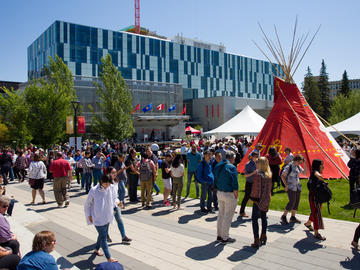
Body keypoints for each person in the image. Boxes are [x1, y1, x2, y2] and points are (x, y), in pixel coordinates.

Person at [84, 174, 118, 263]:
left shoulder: (110, 188)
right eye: (106, 184)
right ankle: (109, 258)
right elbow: (87, 204)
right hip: (97, 217)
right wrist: (89, 215)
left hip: (107, 215)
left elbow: (114, 198)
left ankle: (96, 249)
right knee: (104, 237)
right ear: (102, 182)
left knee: (103, 234)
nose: (108, 186)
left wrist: (118, 203)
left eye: (109, 184)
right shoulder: (94, 190)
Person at [214, 151, 238, 244]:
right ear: (231, 158)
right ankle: (225, 237)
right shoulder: (231, 167)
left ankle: (220, 235)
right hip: (229, 193)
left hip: (220, 192)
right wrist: (236, 195)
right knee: (227, 216)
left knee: (221, 215)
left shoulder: (218, 165)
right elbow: (235, 183)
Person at [250, 157, 272, 248]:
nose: (256, 164)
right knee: (263, 217)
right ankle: (263, 235)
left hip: (258, 200)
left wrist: (252, 198)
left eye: (258, 162)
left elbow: (256, 188)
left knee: (254, 219)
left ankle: (256, 239)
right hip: (266, 199)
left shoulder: (258, 174)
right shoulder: (269, 174)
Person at [107, 167, 132, 244]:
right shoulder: (106, 183)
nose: (115, 174)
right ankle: (105, 235)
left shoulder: (116, 181)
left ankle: (123, 237)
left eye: (115, 172)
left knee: (120, 220)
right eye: (113, 173)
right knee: (107, 222)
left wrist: (119, 203)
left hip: (115, 205)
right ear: (108, 173)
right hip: (108, 206)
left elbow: (115, 195)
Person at [280, 154, 307, 224]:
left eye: (301, 162)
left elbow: (305, 173)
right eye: (299, 162)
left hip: (297, 186)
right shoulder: (289, 166)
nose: (300, 163)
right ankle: (283, 216)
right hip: (291, 187)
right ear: (296, 160)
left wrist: (304, 164)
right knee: (291, 202)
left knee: (296, 202)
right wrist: (286, 185)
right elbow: (282, 176)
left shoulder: (297, 166)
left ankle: (293, 217)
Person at [304, 159, 326, 241]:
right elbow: (319, 176)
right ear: (318, 165)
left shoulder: (314, 172)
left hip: (316, 196)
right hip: (314, 197)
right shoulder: (315, 172)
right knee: (316, 213)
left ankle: (308, 223)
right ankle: (316, 233)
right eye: (322, 164)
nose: (323, 166)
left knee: (316, 211)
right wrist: (323, 181)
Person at [239, 151, 259, 218]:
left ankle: (256, 213)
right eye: (256, 156)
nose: (257, 158)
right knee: (246, 197)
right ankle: (242, 211)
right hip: (249, 183)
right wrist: (253, 173)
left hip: (256, 183)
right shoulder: (248, 164)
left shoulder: (258, 164)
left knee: (256, 198)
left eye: (257, 156)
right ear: (252, 157)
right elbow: (246, 175)